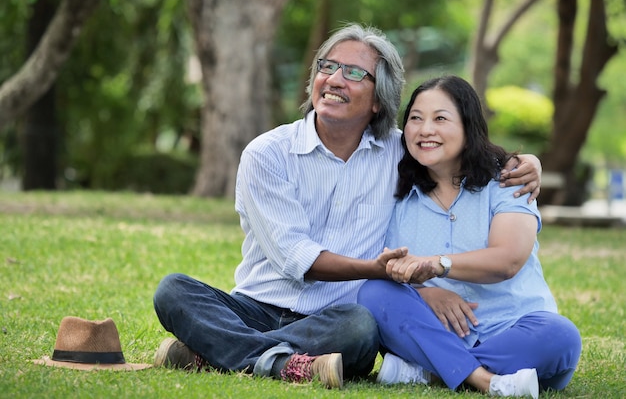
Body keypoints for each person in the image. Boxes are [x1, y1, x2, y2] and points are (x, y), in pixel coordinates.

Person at [152, 25, 542, 389]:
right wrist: (375, 271)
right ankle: (278, 362)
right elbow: (296, 258)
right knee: (173, 290)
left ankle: (215, 353)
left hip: (335, 320)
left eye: (354, 73)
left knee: (360, 328)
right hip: (252, 308)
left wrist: (522, 163)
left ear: (378, 100)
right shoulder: (267, 153)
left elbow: (454, 151)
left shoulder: (400, 153)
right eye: (328, 67)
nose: (335, 79)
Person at [358, 75, 581, 398]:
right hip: (437, 329)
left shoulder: (507, 181)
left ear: (469, 126)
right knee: (374, 291)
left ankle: (430, 373)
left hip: (514, 331)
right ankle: (486, 380)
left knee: (560, 336)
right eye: (415, 119)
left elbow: (508, 259)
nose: (425, 130)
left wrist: (439, 265)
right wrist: (424, 294)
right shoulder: (396, 192)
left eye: (440, 119)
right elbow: (390, 268)